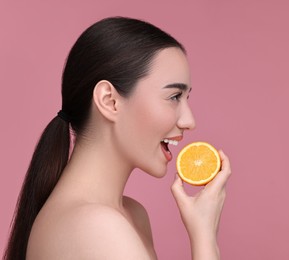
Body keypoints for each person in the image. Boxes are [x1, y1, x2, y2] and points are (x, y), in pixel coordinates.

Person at [3, 17, 231, 260]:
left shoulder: (130, 215)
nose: (189, 121)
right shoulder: (95, 226)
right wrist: (205, 238)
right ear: (109, 100)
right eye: (174, 96)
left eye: (187, 98)